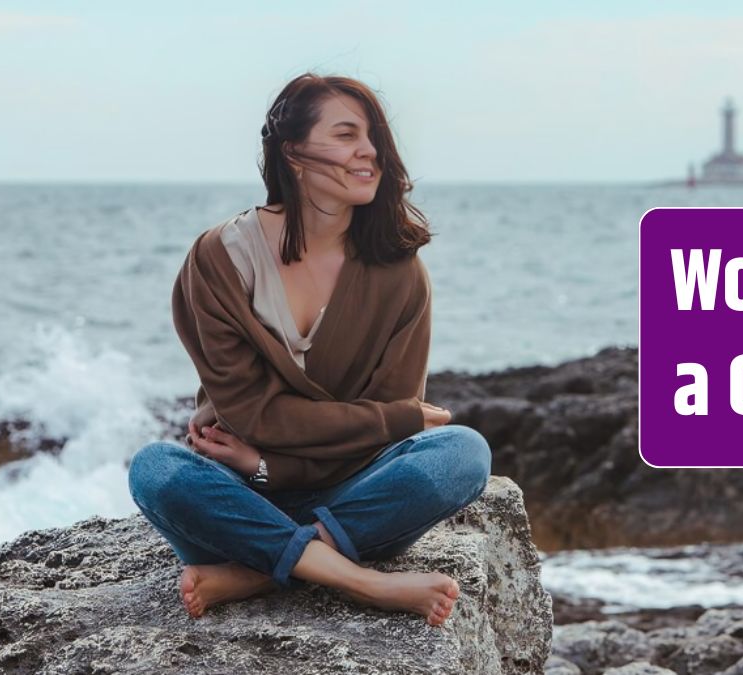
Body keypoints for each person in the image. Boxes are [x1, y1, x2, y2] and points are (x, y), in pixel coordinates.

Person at [126, 73, 492, 627]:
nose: (368, 150)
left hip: (351, 495)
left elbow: (381, 427)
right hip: (237, 497)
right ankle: (359, 580)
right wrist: (263, 466)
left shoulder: (398, 273)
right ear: (293, 152)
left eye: (372, 137)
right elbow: (256, 415)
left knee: (463, 453)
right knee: (155, 470)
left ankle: (254, 572)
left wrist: (271, 462)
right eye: (346, 135)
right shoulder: (220, 259)